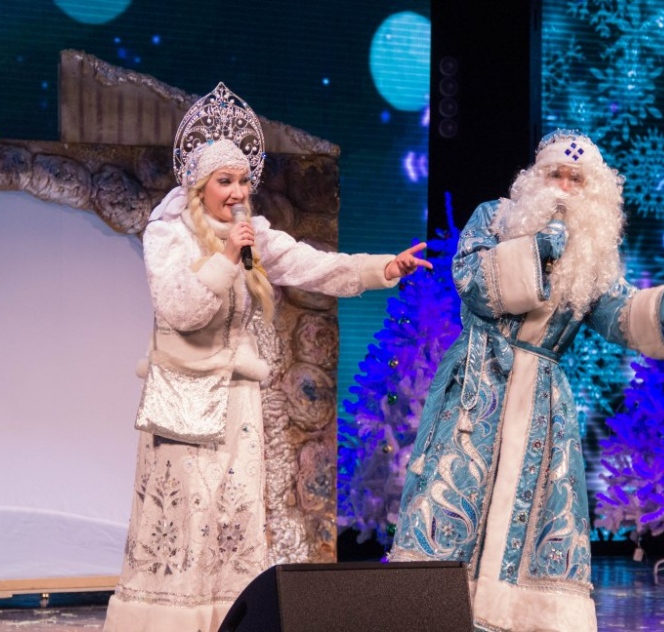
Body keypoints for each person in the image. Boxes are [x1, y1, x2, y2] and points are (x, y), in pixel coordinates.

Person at [102, 82, 431, 632]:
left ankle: (230, 620)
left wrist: (383, 268)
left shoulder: (253, 234)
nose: (236, 192)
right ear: (199, 185)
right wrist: (228, 256)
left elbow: (313, 266)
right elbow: (180, 309)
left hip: (237, 401)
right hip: (183, 399)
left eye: (242, 181)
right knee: (185, 519)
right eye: (224, 181)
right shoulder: (168, 234)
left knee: (232, 513)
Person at [387, 130, 664, 632]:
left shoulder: (591, 252)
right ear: (536, 177)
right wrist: (535, 249)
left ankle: (519, 615)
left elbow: (613, 312)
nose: (564, 187)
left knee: (540, 505)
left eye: (576, 179)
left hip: (542, 397)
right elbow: (472, 282)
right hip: (478, 385)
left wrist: (660, 311)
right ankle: (431, 610)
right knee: (452, 492)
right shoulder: (495, 217)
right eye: (555, 174)